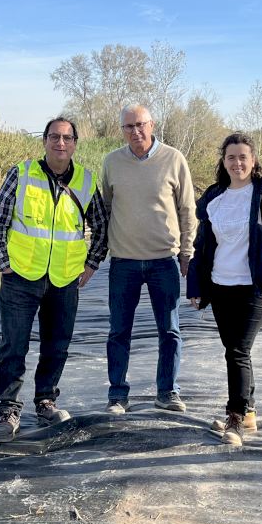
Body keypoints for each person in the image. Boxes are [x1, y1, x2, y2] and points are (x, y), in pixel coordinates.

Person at [0, 117, 108, 442]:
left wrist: (92, 263)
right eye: (54, 137)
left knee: (57, 345)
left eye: (67, 138)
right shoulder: (23, 173)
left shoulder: (85, 180)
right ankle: (8, 410)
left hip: (64, 279)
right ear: (44, 141)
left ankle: (45, 402)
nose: (60, 143)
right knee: (14, 346)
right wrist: (3, 263)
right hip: (21, 277)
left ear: (75, 144)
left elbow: (101, 225)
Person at [187, 133, 262, 446]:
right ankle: (248, 413)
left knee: (237, 351)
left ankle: (234, 418)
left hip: (255, 288)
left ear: (254, 160)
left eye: (243, 157)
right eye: (231, 157)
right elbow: (202, 245)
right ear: (224, 161)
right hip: (220, 286)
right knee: (237, 352)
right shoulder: (214, 196)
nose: (237, 163)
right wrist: (195, 285)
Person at [100, 104, 196, 413]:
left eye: (140, 124)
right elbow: (106, 209)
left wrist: (187, 252)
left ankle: (167, 392)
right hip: (123, 262)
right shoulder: (112, 162)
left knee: (169, 330)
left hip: (163, 260)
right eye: (128, 127)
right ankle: (117, 395)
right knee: (118, 331)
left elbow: (187, 209)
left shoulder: (174, 159)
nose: (135, 131)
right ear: (122, 130)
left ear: (152, 124)